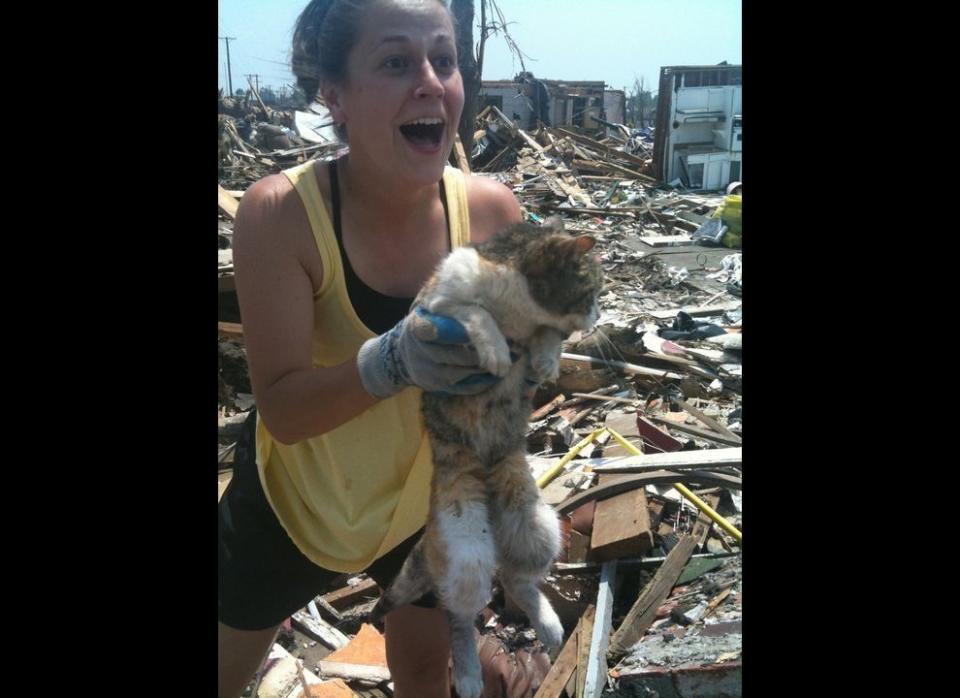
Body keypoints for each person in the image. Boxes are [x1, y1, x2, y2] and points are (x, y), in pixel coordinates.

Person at [218, 1, 524, 696]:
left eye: (443, 61)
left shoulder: (493, 216)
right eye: (395, 62)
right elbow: (285, 411)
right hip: (298, 499)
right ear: (335, 96)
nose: (430, 83)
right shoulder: (281, 216)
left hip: (419, 504)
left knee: (423, 671)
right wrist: (393, 360)